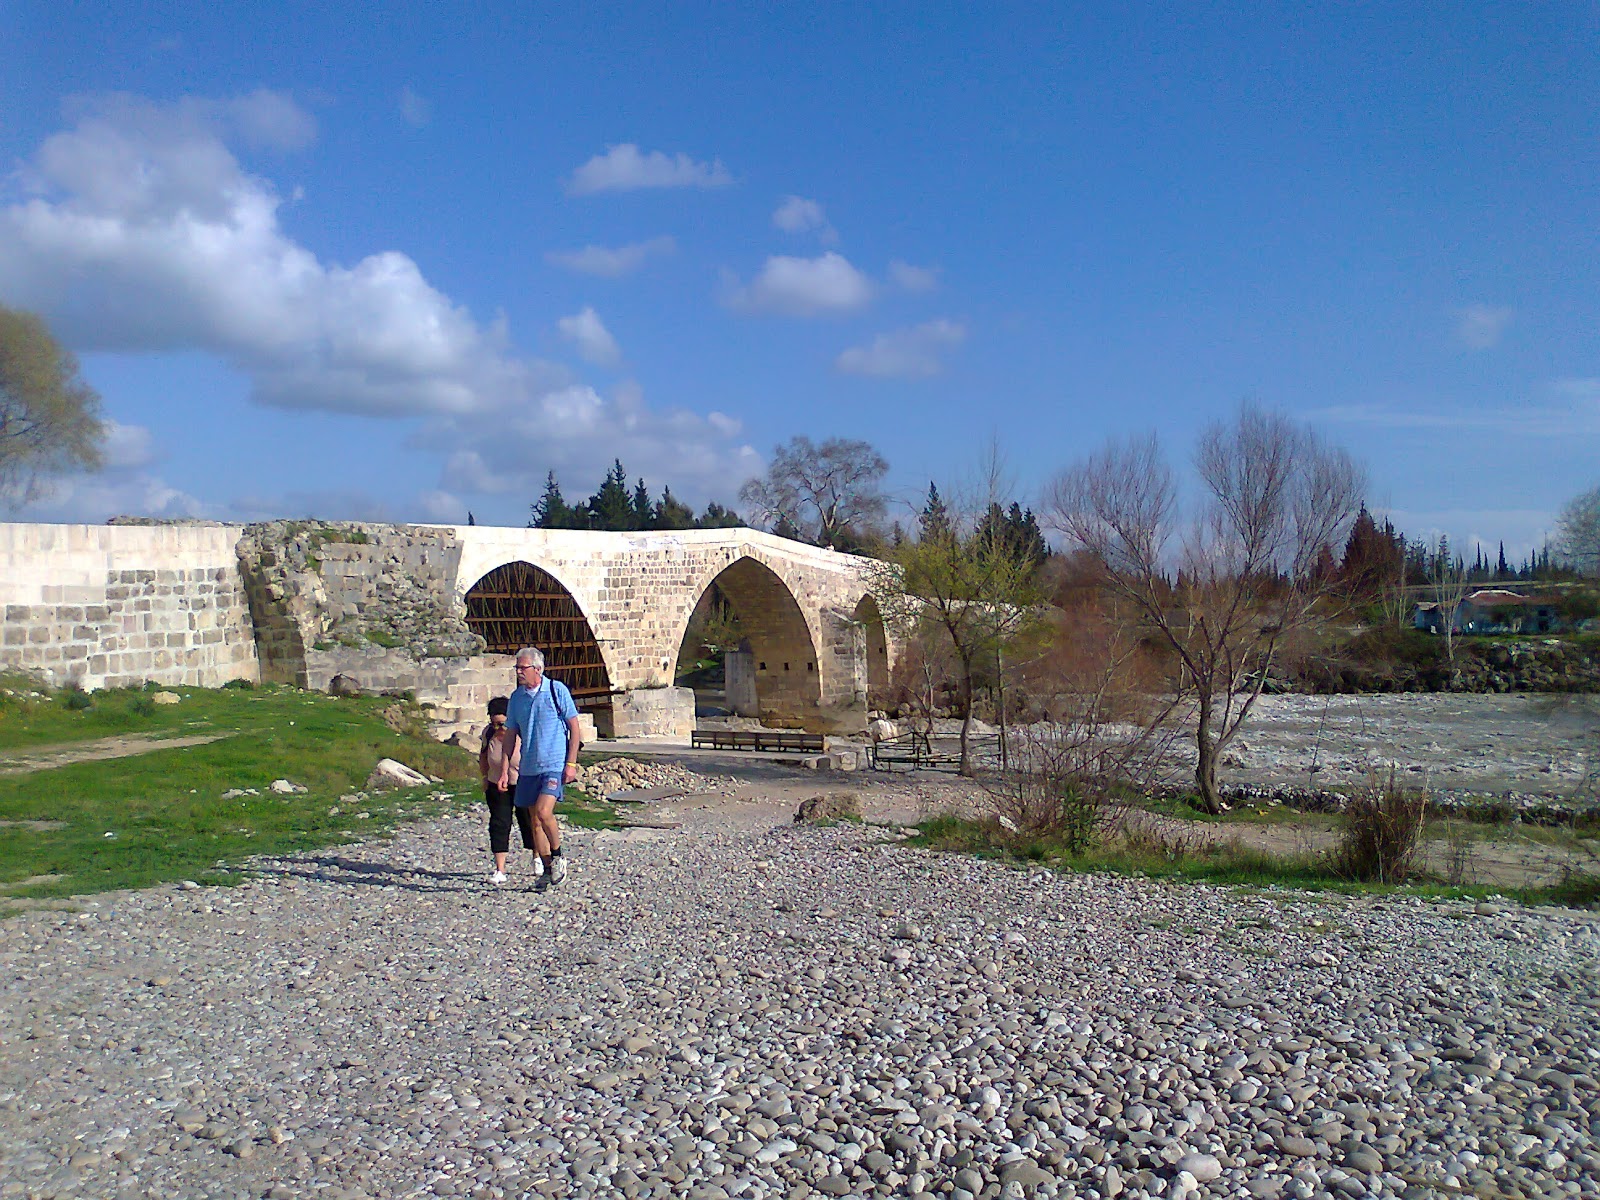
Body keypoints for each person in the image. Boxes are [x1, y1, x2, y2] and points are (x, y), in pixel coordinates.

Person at [504, 646, 582, 890]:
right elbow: (510, 735)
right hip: (528, 766)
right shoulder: (517, 698)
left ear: (537, 669)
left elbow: (575, 728)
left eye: (522, 668)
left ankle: (558, 855)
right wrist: (505, 769)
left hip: (553, 763)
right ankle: (547, 869)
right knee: (533, 821)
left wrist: (571, 763)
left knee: (543, 812)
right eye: (516, 668)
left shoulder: (556, 690)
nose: (518, 672)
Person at [478, 696, 540, 884]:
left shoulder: (521, 732)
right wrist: (484, 777)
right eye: (494, 723)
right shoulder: (488, 734)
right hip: (496, 783)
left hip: (523, 782)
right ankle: (500, 869)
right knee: (499, 823)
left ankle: (537, 857)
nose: (498, 728)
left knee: (530, 822)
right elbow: (483, 756)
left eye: (502, 724)